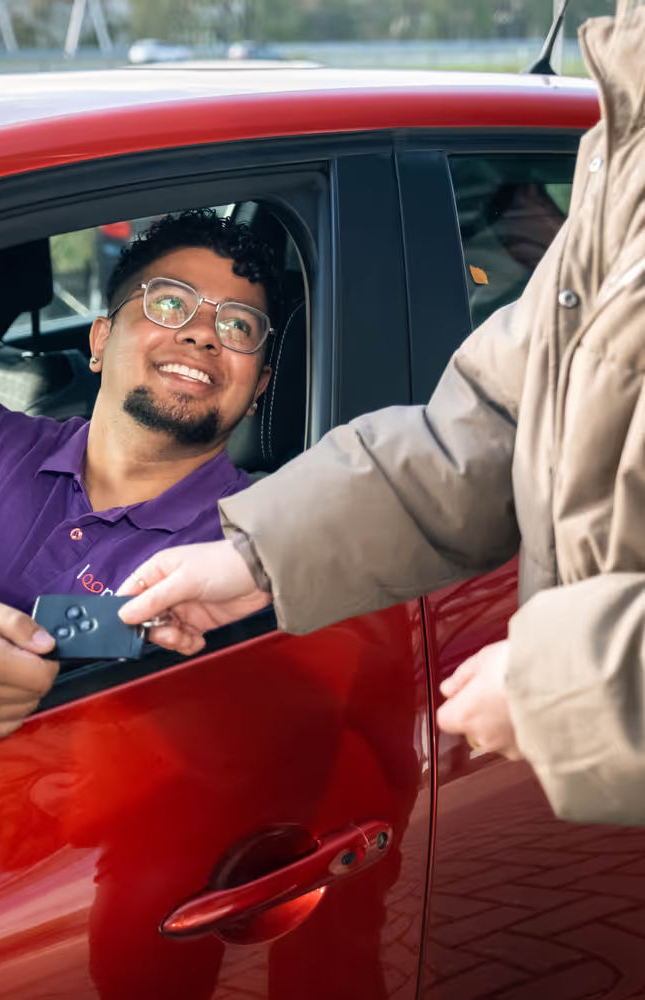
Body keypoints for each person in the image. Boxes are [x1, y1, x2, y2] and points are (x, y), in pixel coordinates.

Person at [118, 3, 645, 826]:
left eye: (237, 325)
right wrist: (260, 555)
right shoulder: (628, 142)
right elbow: (492, 420)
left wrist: (563, 687)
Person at [0, 208, 278, 740]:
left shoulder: (256, 543)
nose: (204, 335)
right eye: (169, 303)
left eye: (238, 325)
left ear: (258, 389)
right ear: (100, 341)